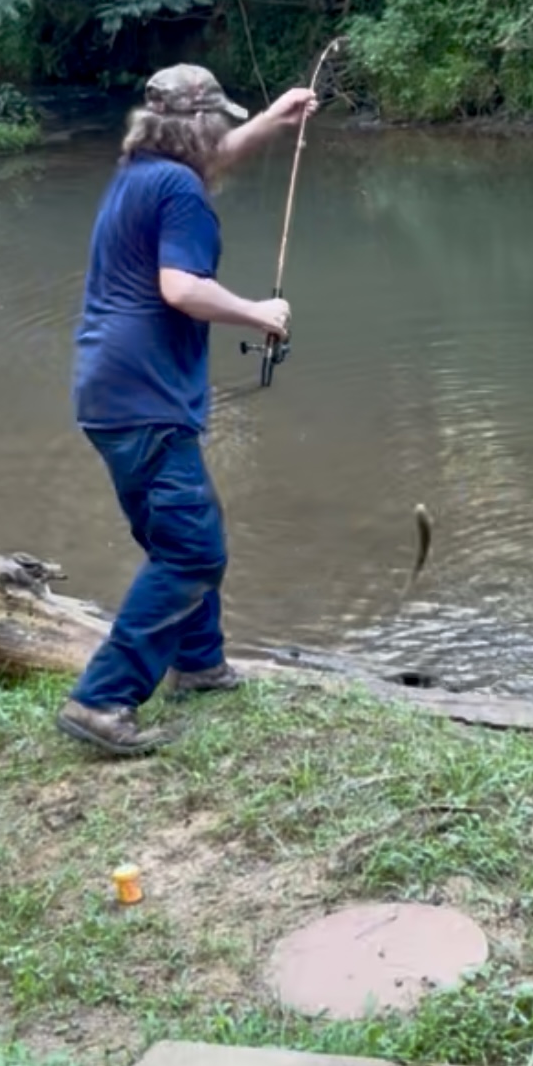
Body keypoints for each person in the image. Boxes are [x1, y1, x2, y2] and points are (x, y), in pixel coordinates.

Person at [57, 63, 316, 757]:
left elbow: (212, 161)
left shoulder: (141, 174)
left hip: (107, 393)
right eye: (223, 122)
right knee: (192, 548)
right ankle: (103, 699)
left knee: (182, 535)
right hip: (146, 395)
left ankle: (200, 666)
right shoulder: (181, 192)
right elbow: (181, 287)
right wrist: (257, 313)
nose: (226, 133)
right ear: (202, 124)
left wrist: (273, 120)